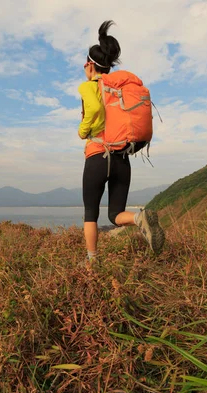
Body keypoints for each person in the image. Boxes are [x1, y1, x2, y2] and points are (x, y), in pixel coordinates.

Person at [78, 20, 165, 263]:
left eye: (85, 64)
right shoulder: (118, 89)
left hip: (98, 156)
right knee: (115, 214)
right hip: (122, 159)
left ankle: (92, 263)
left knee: (90, 214)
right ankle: (139, 218)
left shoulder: (90, 87)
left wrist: (82, 131)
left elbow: (94, 107)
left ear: (90, 65)